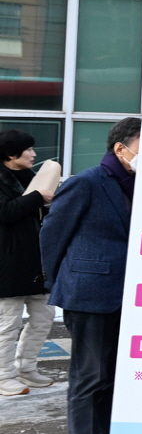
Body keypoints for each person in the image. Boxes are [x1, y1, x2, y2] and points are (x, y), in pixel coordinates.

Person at [41, 117, 141, 434]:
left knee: (113, 378)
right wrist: (62, 282)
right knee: (90, 377)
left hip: (129, 297)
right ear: (121, 148)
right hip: (90, 295)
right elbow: (52, 235)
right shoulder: (86, 182)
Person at [0, 131, 61, 397]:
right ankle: (3, 376)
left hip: (38, 262)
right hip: (7, 263)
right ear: (11, 154)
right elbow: (5, 213)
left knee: (43, 318)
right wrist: (38, 197)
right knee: (8, 323)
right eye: (29, 150)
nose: (34, 154)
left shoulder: (35, 178)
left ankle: (27, 368)